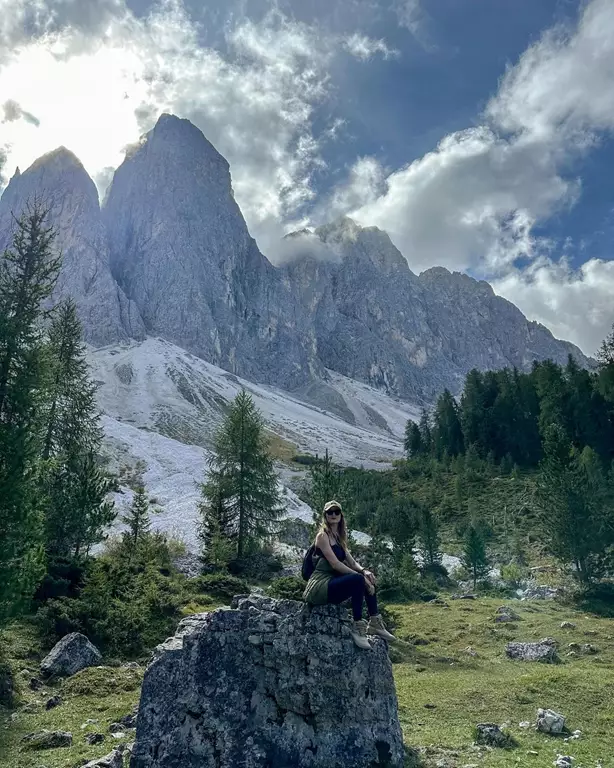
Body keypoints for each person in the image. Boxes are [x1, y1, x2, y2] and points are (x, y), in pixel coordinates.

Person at [303, 499, 395, 649]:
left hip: (332, 582)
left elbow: (352, 563)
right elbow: (335, 564)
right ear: (325, 516)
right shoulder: (322, 536)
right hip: (319, 586)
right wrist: (361, 579)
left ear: (341, 515)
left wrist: (365, 572)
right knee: (359, 580)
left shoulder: (339, 538)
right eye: (330, 512)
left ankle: (375, 622)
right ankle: (358, 627)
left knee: (366, 577)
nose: (333, 515)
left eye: (336, 512)